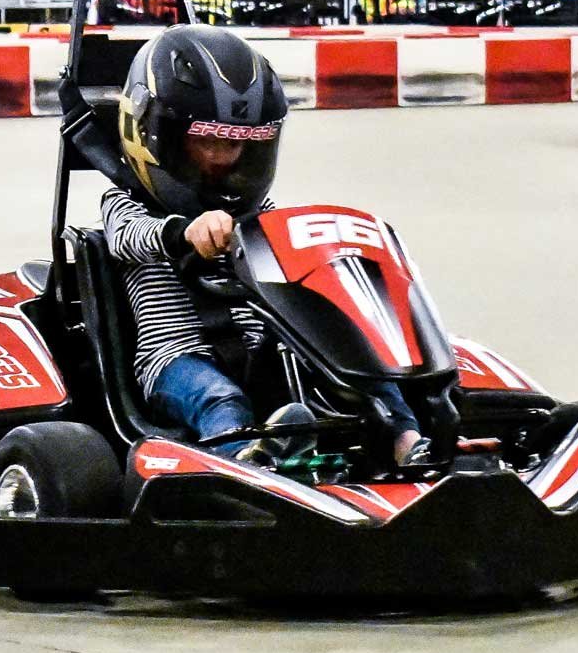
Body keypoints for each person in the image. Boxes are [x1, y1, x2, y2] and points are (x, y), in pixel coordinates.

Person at [103, 24, 428, 468]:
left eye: (236, 143)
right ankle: (242, 463)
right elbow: (127, 238)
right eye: (207, 140)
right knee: (220, 398)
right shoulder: (126, 202)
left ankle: (408, 439)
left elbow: (286, 250)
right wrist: (183, 232)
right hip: (173, 362)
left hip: (258, 350)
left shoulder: (253, 207)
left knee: (352, 357)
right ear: (154, 135)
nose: (222, 156)